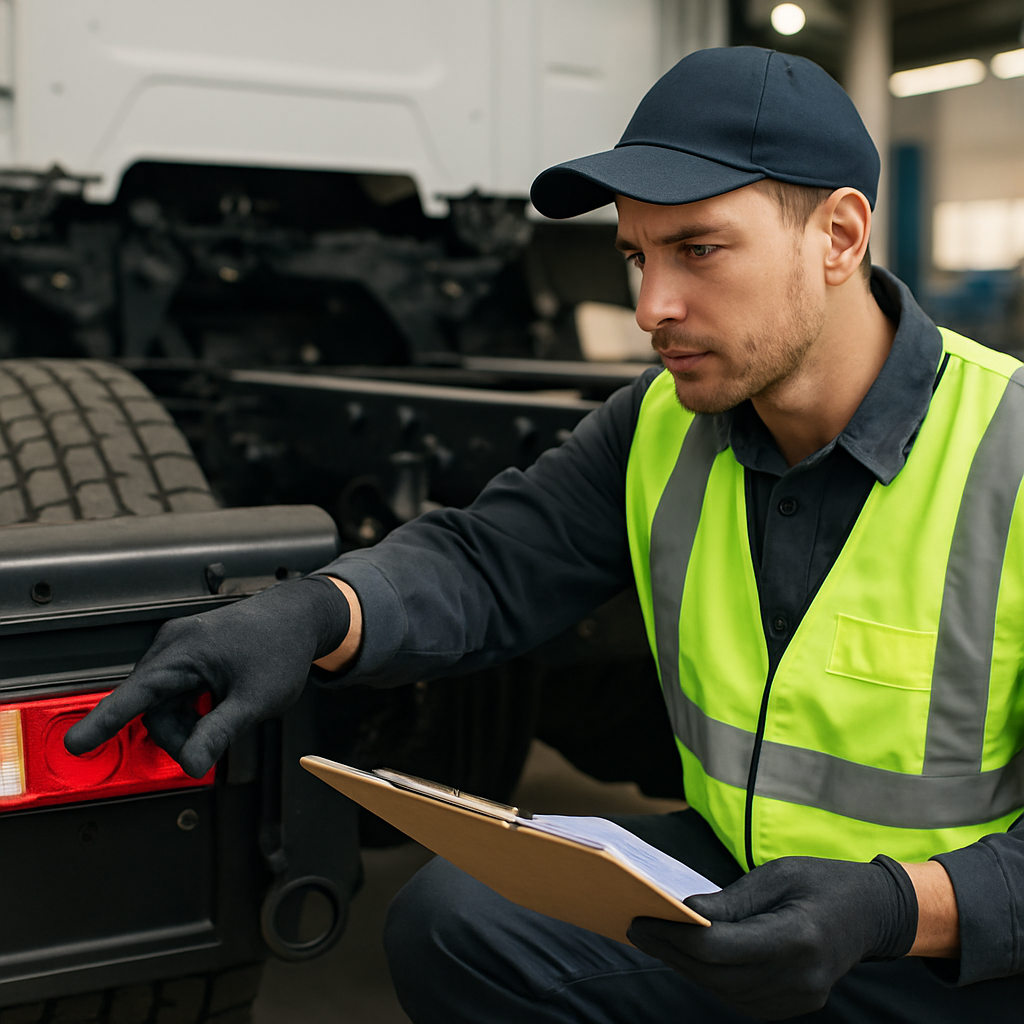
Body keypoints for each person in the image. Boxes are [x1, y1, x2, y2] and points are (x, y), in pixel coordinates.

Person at [66, 46, 1024, 1022]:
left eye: (697, 249)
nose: (650, 307)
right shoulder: (661, 425)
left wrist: (898, 906)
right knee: (458, 921)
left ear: (839, 234)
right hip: (757, 893)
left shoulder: (1010, 454)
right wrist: (312, 613)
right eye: (634, 257)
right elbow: (490, 559)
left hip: (958, 950)